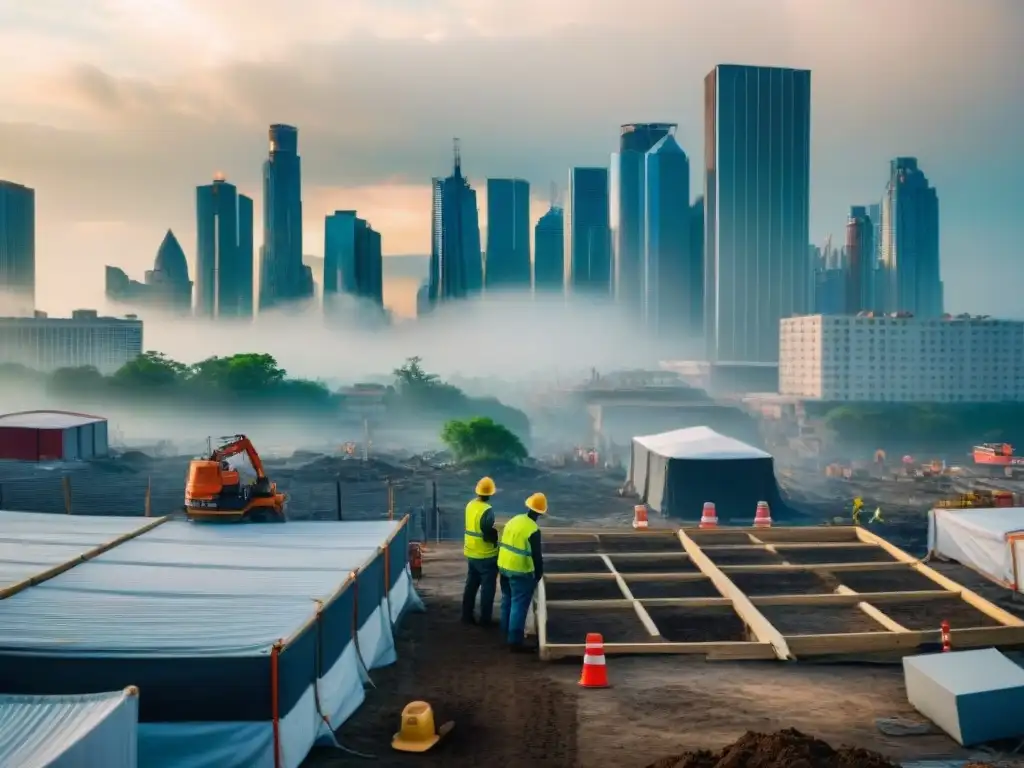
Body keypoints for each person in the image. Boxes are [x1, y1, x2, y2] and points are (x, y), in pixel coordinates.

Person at [497, 492, 547, 652]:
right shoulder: (533, 529)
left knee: (507, 600)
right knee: (519, 604)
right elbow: (537, 556)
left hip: (504, 567)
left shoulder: (514, 520)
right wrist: (538, 574)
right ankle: (515, 641)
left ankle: (504, 633)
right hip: (520, 571)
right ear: (540, 512)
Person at [461, 476, 499, 626]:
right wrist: (496, 538)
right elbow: (487, 532)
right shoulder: (487, 510)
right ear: (490, 494)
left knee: (471, 586)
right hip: (486, 555)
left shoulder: (470, 505)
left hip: (471, 552)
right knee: (487, 589)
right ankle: (485, 621)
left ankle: (466, 616)